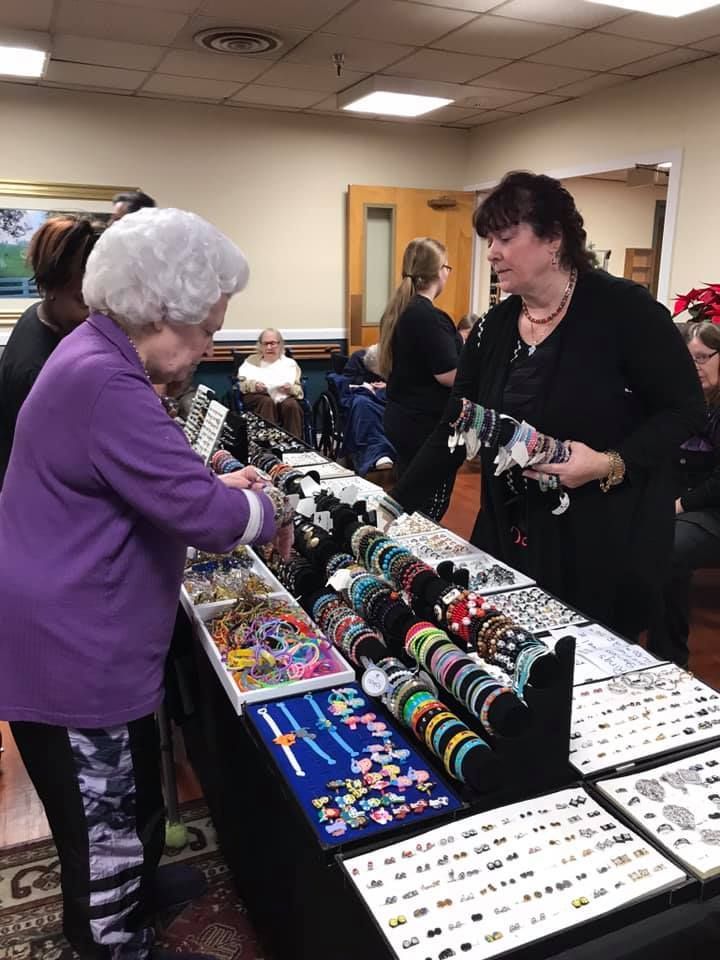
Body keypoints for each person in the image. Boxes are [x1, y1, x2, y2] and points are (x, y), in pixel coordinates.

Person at [0, 207, 291, 960]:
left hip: (88, 632)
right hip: (73, 650)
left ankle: (135, 890)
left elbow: (151, 473)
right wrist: (269, 507)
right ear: (157, 312)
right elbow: (204, 517)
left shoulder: (100, 357)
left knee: (128, 796)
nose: (209, 346)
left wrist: (221, 481)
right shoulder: (104, 381)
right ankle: (109, 940)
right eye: (204, 329)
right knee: (102, 833)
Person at [387, 171, 705, 638]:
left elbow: (685, 410)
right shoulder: (494, 327)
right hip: (509, 530)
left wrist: (606, 462)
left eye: (505, 237)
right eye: (490, 239)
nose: (492, 251)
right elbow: (455, 426)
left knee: (580, 668)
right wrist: (391, 508)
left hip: (602, 537)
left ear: (553, 238)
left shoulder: (626, 312)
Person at [0, 216, 100, 488]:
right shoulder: (36, 370)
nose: (91, 313)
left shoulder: (37, 313)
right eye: (82, 301)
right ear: (52, 286)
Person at [647, 320, 720, 666]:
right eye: (688, 359)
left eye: (703, 358)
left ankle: (670, 658)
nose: (696, 367)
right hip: (676, 501)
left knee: (665, 547)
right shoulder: (678, 402)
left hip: (711, 510)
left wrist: (679, 504)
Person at [379, 237, 461, 476]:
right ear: (438, 271)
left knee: (410, 491)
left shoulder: (399, 310)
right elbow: (448, 375)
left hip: (402, 417)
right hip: (423, 424)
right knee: (429, 502)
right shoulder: (428, 316)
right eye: (447, 267)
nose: (448, 273)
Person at [337, 344, 396, 474]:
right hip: (364, 397)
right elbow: (347, 381)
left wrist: (387, 385)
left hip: (388, 397)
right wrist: (367, 385)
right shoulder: (358, 358)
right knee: (361, 404)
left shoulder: (396, 358)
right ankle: (375, 453)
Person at [237, 328, 304, 438]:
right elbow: (241, 384)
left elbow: (299, 390)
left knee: (291, 405)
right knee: (266, 402)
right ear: (260, 345)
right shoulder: (251, 361)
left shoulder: (290, 364)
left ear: (280, 344)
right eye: (265, 344)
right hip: (257, 397)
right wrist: (254, 386)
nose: (269, 347)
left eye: (273, 343)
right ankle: (268, 444)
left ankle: (294, 445)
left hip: (283, 397)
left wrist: (290, 389)